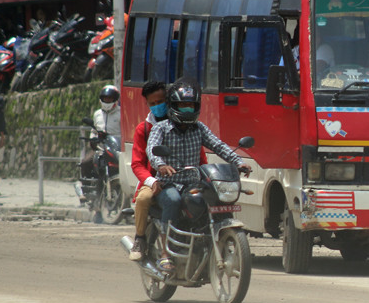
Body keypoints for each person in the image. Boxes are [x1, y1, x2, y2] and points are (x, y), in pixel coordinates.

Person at [147, 79, 252, 271]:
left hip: (193, 183)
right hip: (169, 184)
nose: (187, 109)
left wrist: (239, 162)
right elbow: (152, 150)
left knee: (213, 200)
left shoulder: (199, 128)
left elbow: (218, 145)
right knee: (173, 200)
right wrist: (161, 165)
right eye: (182, 105)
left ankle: (207, 242)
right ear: (172, 106)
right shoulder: (160, 128)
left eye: (191, 105)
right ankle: (165, 253)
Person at [127, 80, 207, 261]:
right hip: (155, 178)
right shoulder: (144, 129)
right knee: (144, 198)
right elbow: (137, 164)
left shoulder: (188, 124)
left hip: (186, 178)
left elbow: (200, 157)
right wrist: (152, 181)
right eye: (152, 104)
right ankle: (140, 238)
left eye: (161, 102)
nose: (158, 106)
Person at [80, 85, 121, 181]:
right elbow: (94, 130)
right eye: (105, 98)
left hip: (116, 148)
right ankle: (86, 187)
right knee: (85, 162)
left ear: (115, 99)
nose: (107, 100)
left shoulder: (121, 113)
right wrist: (93, 139)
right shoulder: (97, 114)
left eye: (110, 98)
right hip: (100, 148)